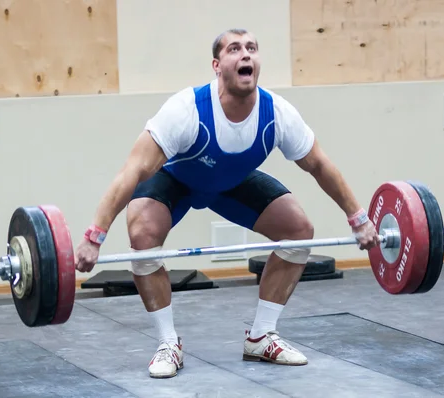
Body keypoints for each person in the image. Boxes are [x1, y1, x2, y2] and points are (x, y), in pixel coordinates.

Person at [74, 28, 380, 379]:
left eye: (252, 48)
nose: (246, 55)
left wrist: (358, 218)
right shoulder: (186, 109)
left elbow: (320, 165)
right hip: (177, 180)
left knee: (299, 230)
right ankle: (168, 343)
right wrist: (95, 235)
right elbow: (134, 171)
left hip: (231, 183)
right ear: (217, 65)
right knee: (143, 235)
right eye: (235, 49)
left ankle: (262, 336)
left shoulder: (277, 112)